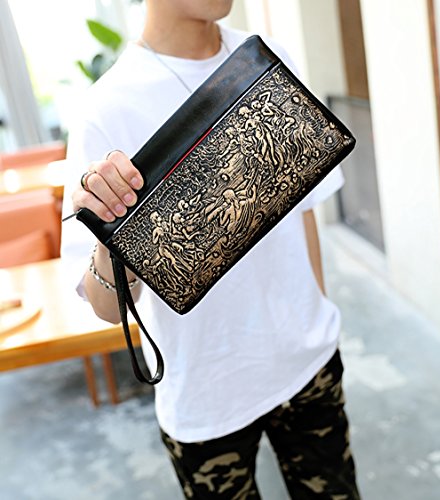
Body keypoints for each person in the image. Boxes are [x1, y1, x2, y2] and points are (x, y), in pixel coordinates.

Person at [61, 0, 361, 498]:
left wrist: (317, 317)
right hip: (205, 395)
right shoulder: (106, 108)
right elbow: (107, 308)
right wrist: (108, 232)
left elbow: (305, 209)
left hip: (308, 363)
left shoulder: (264, 56)